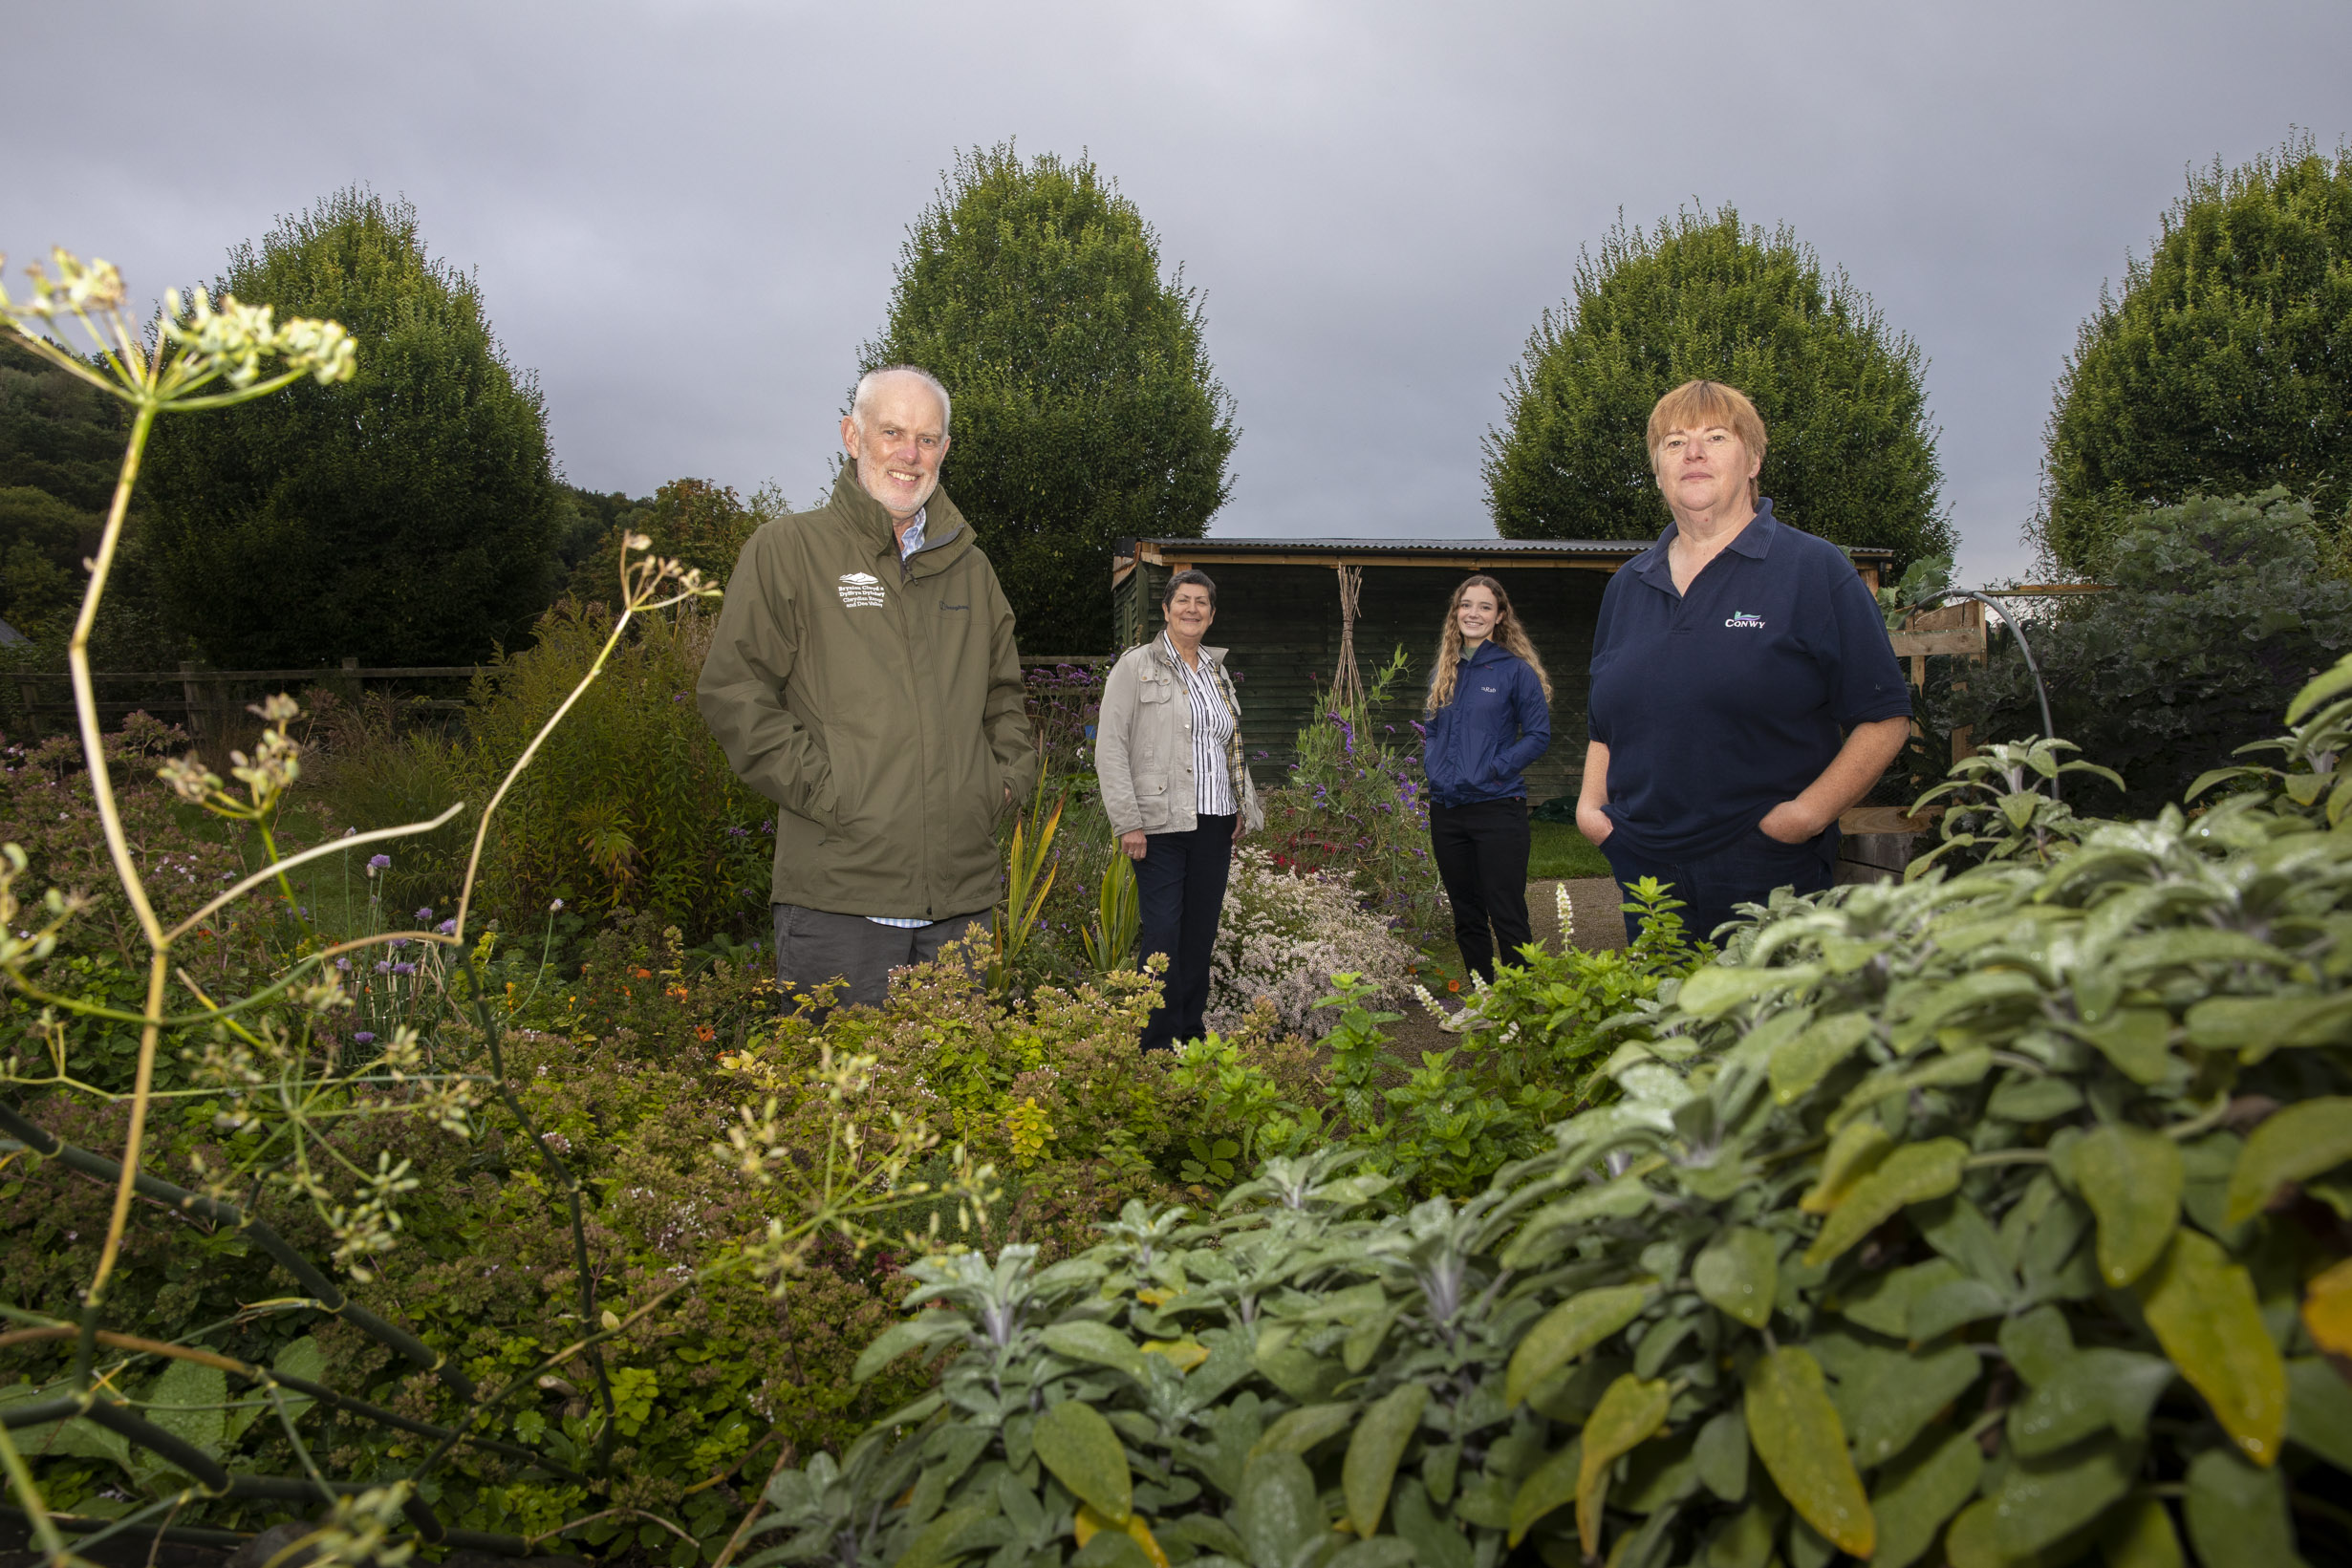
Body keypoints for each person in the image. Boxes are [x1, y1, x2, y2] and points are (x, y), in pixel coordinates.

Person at [698, 365, 1038, 1011]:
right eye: (892, 432)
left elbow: (1004, 696)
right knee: (837, 1106)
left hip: (959, 902)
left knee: (948, 1103)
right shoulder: (786, 550)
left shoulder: (971, 569)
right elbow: (734, 689)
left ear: (944, 449)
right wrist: (832, 793)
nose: (911, 455)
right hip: (838, 897)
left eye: (929, 438)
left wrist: (998, 787)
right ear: (852, 436)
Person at [1577, 379, 1911, 944]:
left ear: (1754, 460)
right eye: (1674, 442)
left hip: (1768, 870)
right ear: (1658, 469)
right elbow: (1604, 726)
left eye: (1716, 437)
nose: (1694, 453)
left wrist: (1802, 818)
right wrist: (1593, 815)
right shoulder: (1627, 586)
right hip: (1646, 872)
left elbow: (1884, 717)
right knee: (1671, 1026)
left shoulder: (1812, 568)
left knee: (1771, 1028)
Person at [1095, 569, 1264, 1051]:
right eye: (1183, 601)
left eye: (1202, 603)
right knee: (1164, 932)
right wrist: (1127, 820)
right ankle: (1155, 1043)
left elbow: (1231, 745)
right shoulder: (1135, 667)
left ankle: (1191, 1036)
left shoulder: (1217, 670)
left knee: (1199, 935)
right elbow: (1110, 747)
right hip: (1159, 826)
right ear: (1166, 609)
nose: (1192, 609)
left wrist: (1240, 805)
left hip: (1214, 824)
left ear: (1212, 615)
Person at [1419, 573, 1551, 1024]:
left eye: (1484, 607)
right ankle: (1483, 1002)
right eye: (1466, 605)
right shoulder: (1445, 669)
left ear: (1499, 617)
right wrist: (1434, 769)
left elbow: (1538, 735)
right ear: (1456, 613)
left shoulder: (1515, 671)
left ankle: (1522, 1007)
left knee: (1506, 911)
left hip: (1498, 807)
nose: (1473, 613)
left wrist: (1494, 768)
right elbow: (1433, 730)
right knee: (1467, 914)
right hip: (1448, 809)